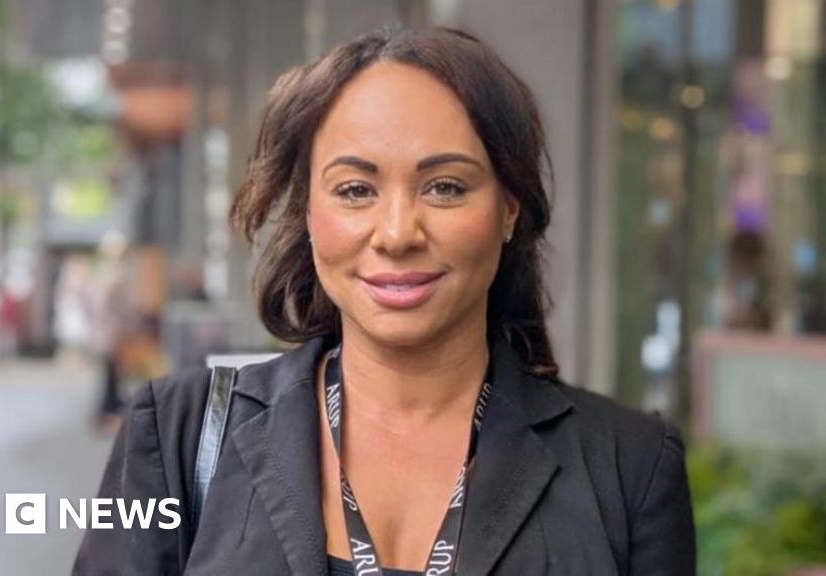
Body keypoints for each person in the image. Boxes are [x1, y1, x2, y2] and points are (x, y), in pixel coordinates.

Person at [74, 26, 695, 575]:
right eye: (355, 189)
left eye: (445, 187)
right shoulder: (179, 436)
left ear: (509, 207)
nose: (397, 233)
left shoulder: (629, 467)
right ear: (308, 211)